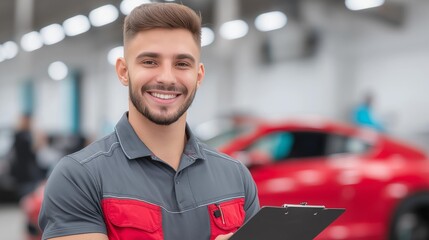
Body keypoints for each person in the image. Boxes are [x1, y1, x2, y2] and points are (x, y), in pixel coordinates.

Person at [38, 3, 260, 240]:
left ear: (198, 76)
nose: (166, 78)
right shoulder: (79, 177)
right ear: (124, 71)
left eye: (182, 64)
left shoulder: (236, 177)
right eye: (150, 62)